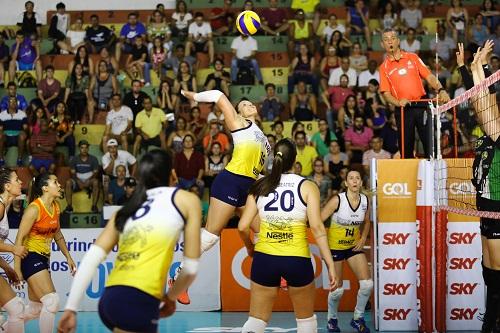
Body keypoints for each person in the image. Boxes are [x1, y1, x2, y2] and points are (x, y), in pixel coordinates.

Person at [58, 150, 201, 332]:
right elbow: (191, 267)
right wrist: (171, 297)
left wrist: (71, 308)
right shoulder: (187, 200)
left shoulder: (126, 209)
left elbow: (90, 259)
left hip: (110, 298)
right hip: (139, 298)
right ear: (172, 173)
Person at [238, 138, 338, 333]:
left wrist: (251, 247)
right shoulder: (308, 186)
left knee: (256, 322)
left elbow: (242, 226)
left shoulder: (260, 187)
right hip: (297, 258)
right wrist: (330, 265)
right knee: (306, 322)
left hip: (265, 257)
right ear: (295, 160)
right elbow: (317, 228)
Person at [180, 89, 270, 302]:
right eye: (244, 104)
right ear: (238, 113)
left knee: (265, 232)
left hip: (249, 187)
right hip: (230, 182)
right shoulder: (239, 124)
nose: (249, 105)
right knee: (211, 236)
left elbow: (257, 170)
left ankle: (272, 272)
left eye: (250, 103)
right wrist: (194, 97)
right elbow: (219, 96)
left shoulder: (264, 139)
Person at [457, 40, 500, 332]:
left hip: (497, 203)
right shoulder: (490, 132)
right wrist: (467, 69)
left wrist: (477, 68)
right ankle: (491, 316)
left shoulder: (497, 133)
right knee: (487, 267)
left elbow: (486, 103)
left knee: (496, 269)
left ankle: (493, 322)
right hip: (485, 201)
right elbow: (479, 101)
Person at [14, 173, 76, 333]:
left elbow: (58, 235)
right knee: (52, 301)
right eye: (55, 182)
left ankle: (5, 328)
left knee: (35, 308)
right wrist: (17, 269)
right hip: (29, 256)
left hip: (43, 257)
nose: (60, 185)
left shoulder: (56, 206)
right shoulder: (34, 209)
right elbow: (19, 239)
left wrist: (68, 257)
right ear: (45, 188)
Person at [379, 28, 450, 159]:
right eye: (386, 39)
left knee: (429, 143)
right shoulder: (383, 68)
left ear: (398, 41)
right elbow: (386, 94)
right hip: (403, 109)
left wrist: (441, 90)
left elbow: (429, 77)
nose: (390, 42)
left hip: (421, 104)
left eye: (393, 38)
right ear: (382, 44)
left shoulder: (413, 57)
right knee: (405, 147)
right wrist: (398, 102)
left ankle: (434, 173)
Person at [321, 169, 373, 333]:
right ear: (346, 183)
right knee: (337, 291)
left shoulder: (365, 200)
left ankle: (357, 319)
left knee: (367, 285)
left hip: (352, 247)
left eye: (357, 178)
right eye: (351, 178)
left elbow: (366, 221)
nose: (355, 181)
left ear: (361, 183)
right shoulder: (337, 200)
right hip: (335, 248)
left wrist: (363, 237)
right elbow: (318, 221)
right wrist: (323, 246)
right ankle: (332, 320)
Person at [0, 168, 28, 333]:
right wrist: (13, 248)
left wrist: (7, 268)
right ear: (7, 186)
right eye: (17, 180)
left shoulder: (5, 205)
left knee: (15, 310)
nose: (21, 183)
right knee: (17, 309)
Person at [64, 140, 100, 213]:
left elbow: (95, 173)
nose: (84, 149)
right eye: (82, 148)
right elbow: (72, 174)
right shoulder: (74, 159)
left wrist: (88, 181)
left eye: (86, 148)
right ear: (79, 148)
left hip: (89, 180)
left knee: (96, 182)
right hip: (77, 180)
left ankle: (94, 206)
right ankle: (69, 207)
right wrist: (78, 181)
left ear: (88, 148)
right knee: (68, 182)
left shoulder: (93, 159)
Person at [0, 96, 28, 167]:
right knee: (0, 135)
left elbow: (25, 127)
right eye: (11, 101)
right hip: (7, 137)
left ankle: (19, 160)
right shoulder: (2, 114)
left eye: (14, 101)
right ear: (8, 103)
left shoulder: (22, 114)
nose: (13, 103)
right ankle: (1, 159)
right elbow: (1, 128)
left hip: (17, 136)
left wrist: (24, 129)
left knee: (22, 135)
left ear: (17, 103)